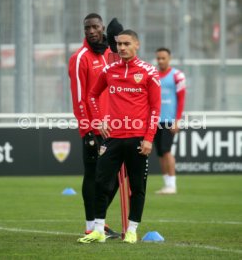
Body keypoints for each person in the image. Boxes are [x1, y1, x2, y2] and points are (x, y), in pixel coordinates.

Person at [77, 29, 161, 244]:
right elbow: (92, 96)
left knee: (137, 187)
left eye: (126, 44)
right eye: (119, 44)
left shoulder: (149, 72)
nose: (122, 48)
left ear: (137, 45)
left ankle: (132, 230)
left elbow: (155, 108)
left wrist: (149, 137)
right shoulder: (109, 70)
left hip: (137, 139)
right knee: (100, 183)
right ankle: (98, 230)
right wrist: (98, 120)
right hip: (112, 138)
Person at [68, 13, 123, 237]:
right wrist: (88, 129)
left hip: (116, 127)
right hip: (94, 128)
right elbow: (79, 98)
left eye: (95, 27)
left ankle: (100, 221)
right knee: (92, 175)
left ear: (102, 28)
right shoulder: (80, 58)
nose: (91, 31)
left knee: (117, 177)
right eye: (87, 28)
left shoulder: (111, 53)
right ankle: (91, 226)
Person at [154, 47, 186, 195]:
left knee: (167, 151)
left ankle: (172, 184)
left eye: (163, 58)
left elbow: (181, 99)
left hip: (169, 120)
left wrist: (177, 120)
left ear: (169, 58)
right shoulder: (153, 75)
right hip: (155, 120)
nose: (160, 61)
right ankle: (166, 184)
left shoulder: (177, 75)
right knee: (160, 153)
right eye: (158, 58)